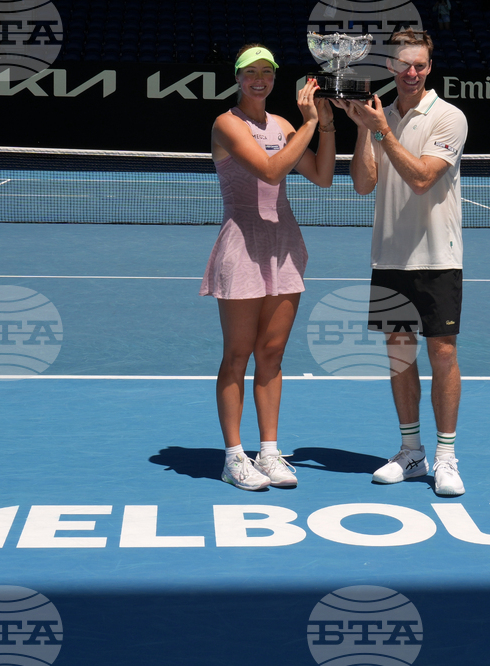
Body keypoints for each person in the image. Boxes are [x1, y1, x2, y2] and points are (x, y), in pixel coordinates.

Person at [333, 29, 468, 497]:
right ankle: (411, 452)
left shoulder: (449, 117)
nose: (412, 72)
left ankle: (446, 458)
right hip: (389, 257)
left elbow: (423, 178)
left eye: (420, 65)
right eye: (404, 64)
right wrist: (362, 127)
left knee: (442, 353)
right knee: (399, 354)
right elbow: (363, 184)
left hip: (437, 257)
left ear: (430, 67)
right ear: (390, 66)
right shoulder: (380, 116)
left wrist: (383, 132)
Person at [201, 44, 336, 491]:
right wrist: (309, 124)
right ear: (238, 78)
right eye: (251, 72)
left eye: (267, 71)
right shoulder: (226, 124)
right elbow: (271, 171)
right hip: (242, 246)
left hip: (284, 245)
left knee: (272, 353)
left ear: (275, 77)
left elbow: (322, 176)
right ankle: (234, 458)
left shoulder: (283, 125)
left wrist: (326, 125)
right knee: (237, 354)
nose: (259, 79)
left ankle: (270, 451)